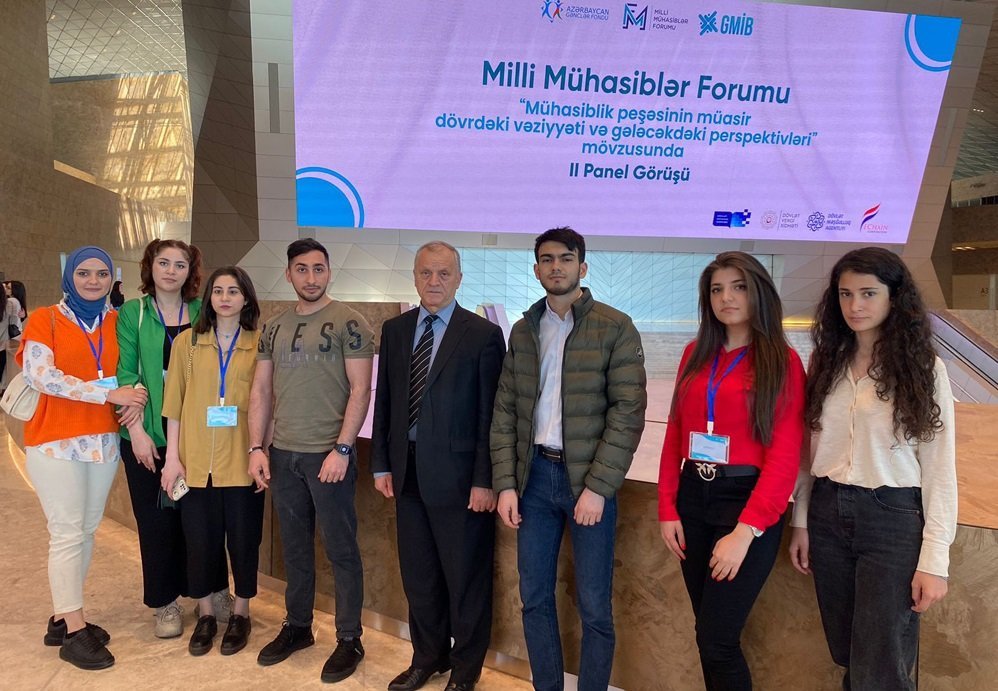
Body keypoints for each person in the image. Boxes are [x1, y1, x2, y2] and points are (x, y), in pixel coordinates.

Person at [788, 248, 957, 691]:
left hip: (891, 518)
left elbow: (939, 466)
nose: (855, 305)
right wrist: (801, 521)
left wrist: (935, 559)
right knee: (847, 652)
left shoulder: (924, 368)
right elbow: (809, 451)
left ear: (893, 298)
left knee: (879, 663)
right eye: (845, 294)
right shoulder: (825, 363)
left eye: (868, 293)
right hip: (827, 512)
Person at [491, 227, 647, 691]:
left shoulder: (615, 326)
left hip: (587, 481)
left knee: (595, 606)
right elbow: (505, 411)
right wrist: (505, 484)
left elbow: (627, 412)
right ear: (536, 268)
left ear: (583, 266)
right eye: (547, 259)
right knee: (534, 598)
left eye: (565, 258)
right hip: (534, 479)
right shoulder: (524, 330)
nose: (555, 266)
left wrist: (598, 488)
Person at [658, 251, 805, 691]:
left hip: (745, 503)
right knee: (706, 635)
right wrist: (667, 507)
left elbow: (785, 456)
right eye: (717, 289)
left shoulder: (782, 361)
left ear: (758, 292)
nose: (726, 298)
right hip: (693, 497)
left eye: (738, 287)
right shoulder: (694, 353)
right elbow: (675, 432)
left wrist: (745, 532)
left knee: (718, 641)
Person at [372, 242, 505, 691]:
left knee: (465, 580)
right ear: (414, 277)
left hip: (462, 482)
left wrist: (485, 480)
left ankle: (465, 672)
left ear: (459, 279)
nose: (434, 282)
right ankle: (428, 657)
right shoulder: (395, 330)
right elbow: (387, 402)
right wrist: (381, 464)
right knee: (420, 577)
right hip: (406, 474)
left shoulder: (482, 335)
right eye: (426, 273)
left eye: (444, 273)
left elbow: (490, 416)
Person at [16, 246, 148, 670]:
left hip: (103, 443)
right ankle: (75, 631)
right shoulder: (45, 318)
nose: (93, 281)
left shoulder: (116, 320)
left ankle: (63, 617)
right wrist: (107, 394)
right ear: (69, 276)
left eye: (102, 274)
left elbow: (131, 373)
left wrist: (135, 395)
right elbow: (42, 376)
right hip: (55, 442)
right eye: (84, 273)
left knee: (86, 531)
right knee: (67, 533)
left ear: (112, 279)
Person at [248, 238, 374, 683]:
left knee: (341, 550)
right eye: (302, 269)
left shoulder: (350, 322)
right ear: (288, 274)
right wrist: (257, 447)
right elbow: (261, 390)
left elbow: (361, 390)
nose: (311, 277)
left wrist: (343, 448)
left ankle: (349, 638)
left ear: (329, 272)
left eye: (319, 268)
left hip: (328, 456)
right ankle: (298, 627)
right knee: (295, 549)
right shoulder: (273, 327)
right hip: (284, 455)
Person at [160, 266, 263, 657]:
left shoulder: (259, 343)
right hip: (195, 462)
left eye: (233, 291)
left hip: (242, 462)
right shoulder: (187, 342)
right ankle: (205, 614)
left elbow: (267, 402)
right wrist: (172, 459)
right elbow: (174, 406)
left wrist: (262, 450)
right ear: (208, 298)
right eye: (218, 291)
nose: (224, 298)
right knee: (200, 542)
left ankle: (241, 613)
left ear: (246, 298)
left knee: (244, 541)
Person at [115, 239, 210, 638]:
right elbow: (126, 375)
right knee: (155, 522)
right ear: (150, 267)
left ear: (191, 271)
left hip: (194, 436)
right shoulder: (133, 313)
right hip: (147, 434)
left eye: (180, 264)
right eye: (164, 263)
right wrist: (136, 432)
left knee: (198, 519)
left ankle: (205, 590)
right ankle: (164, 602)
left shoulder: (202, 311)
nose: (171, 271)